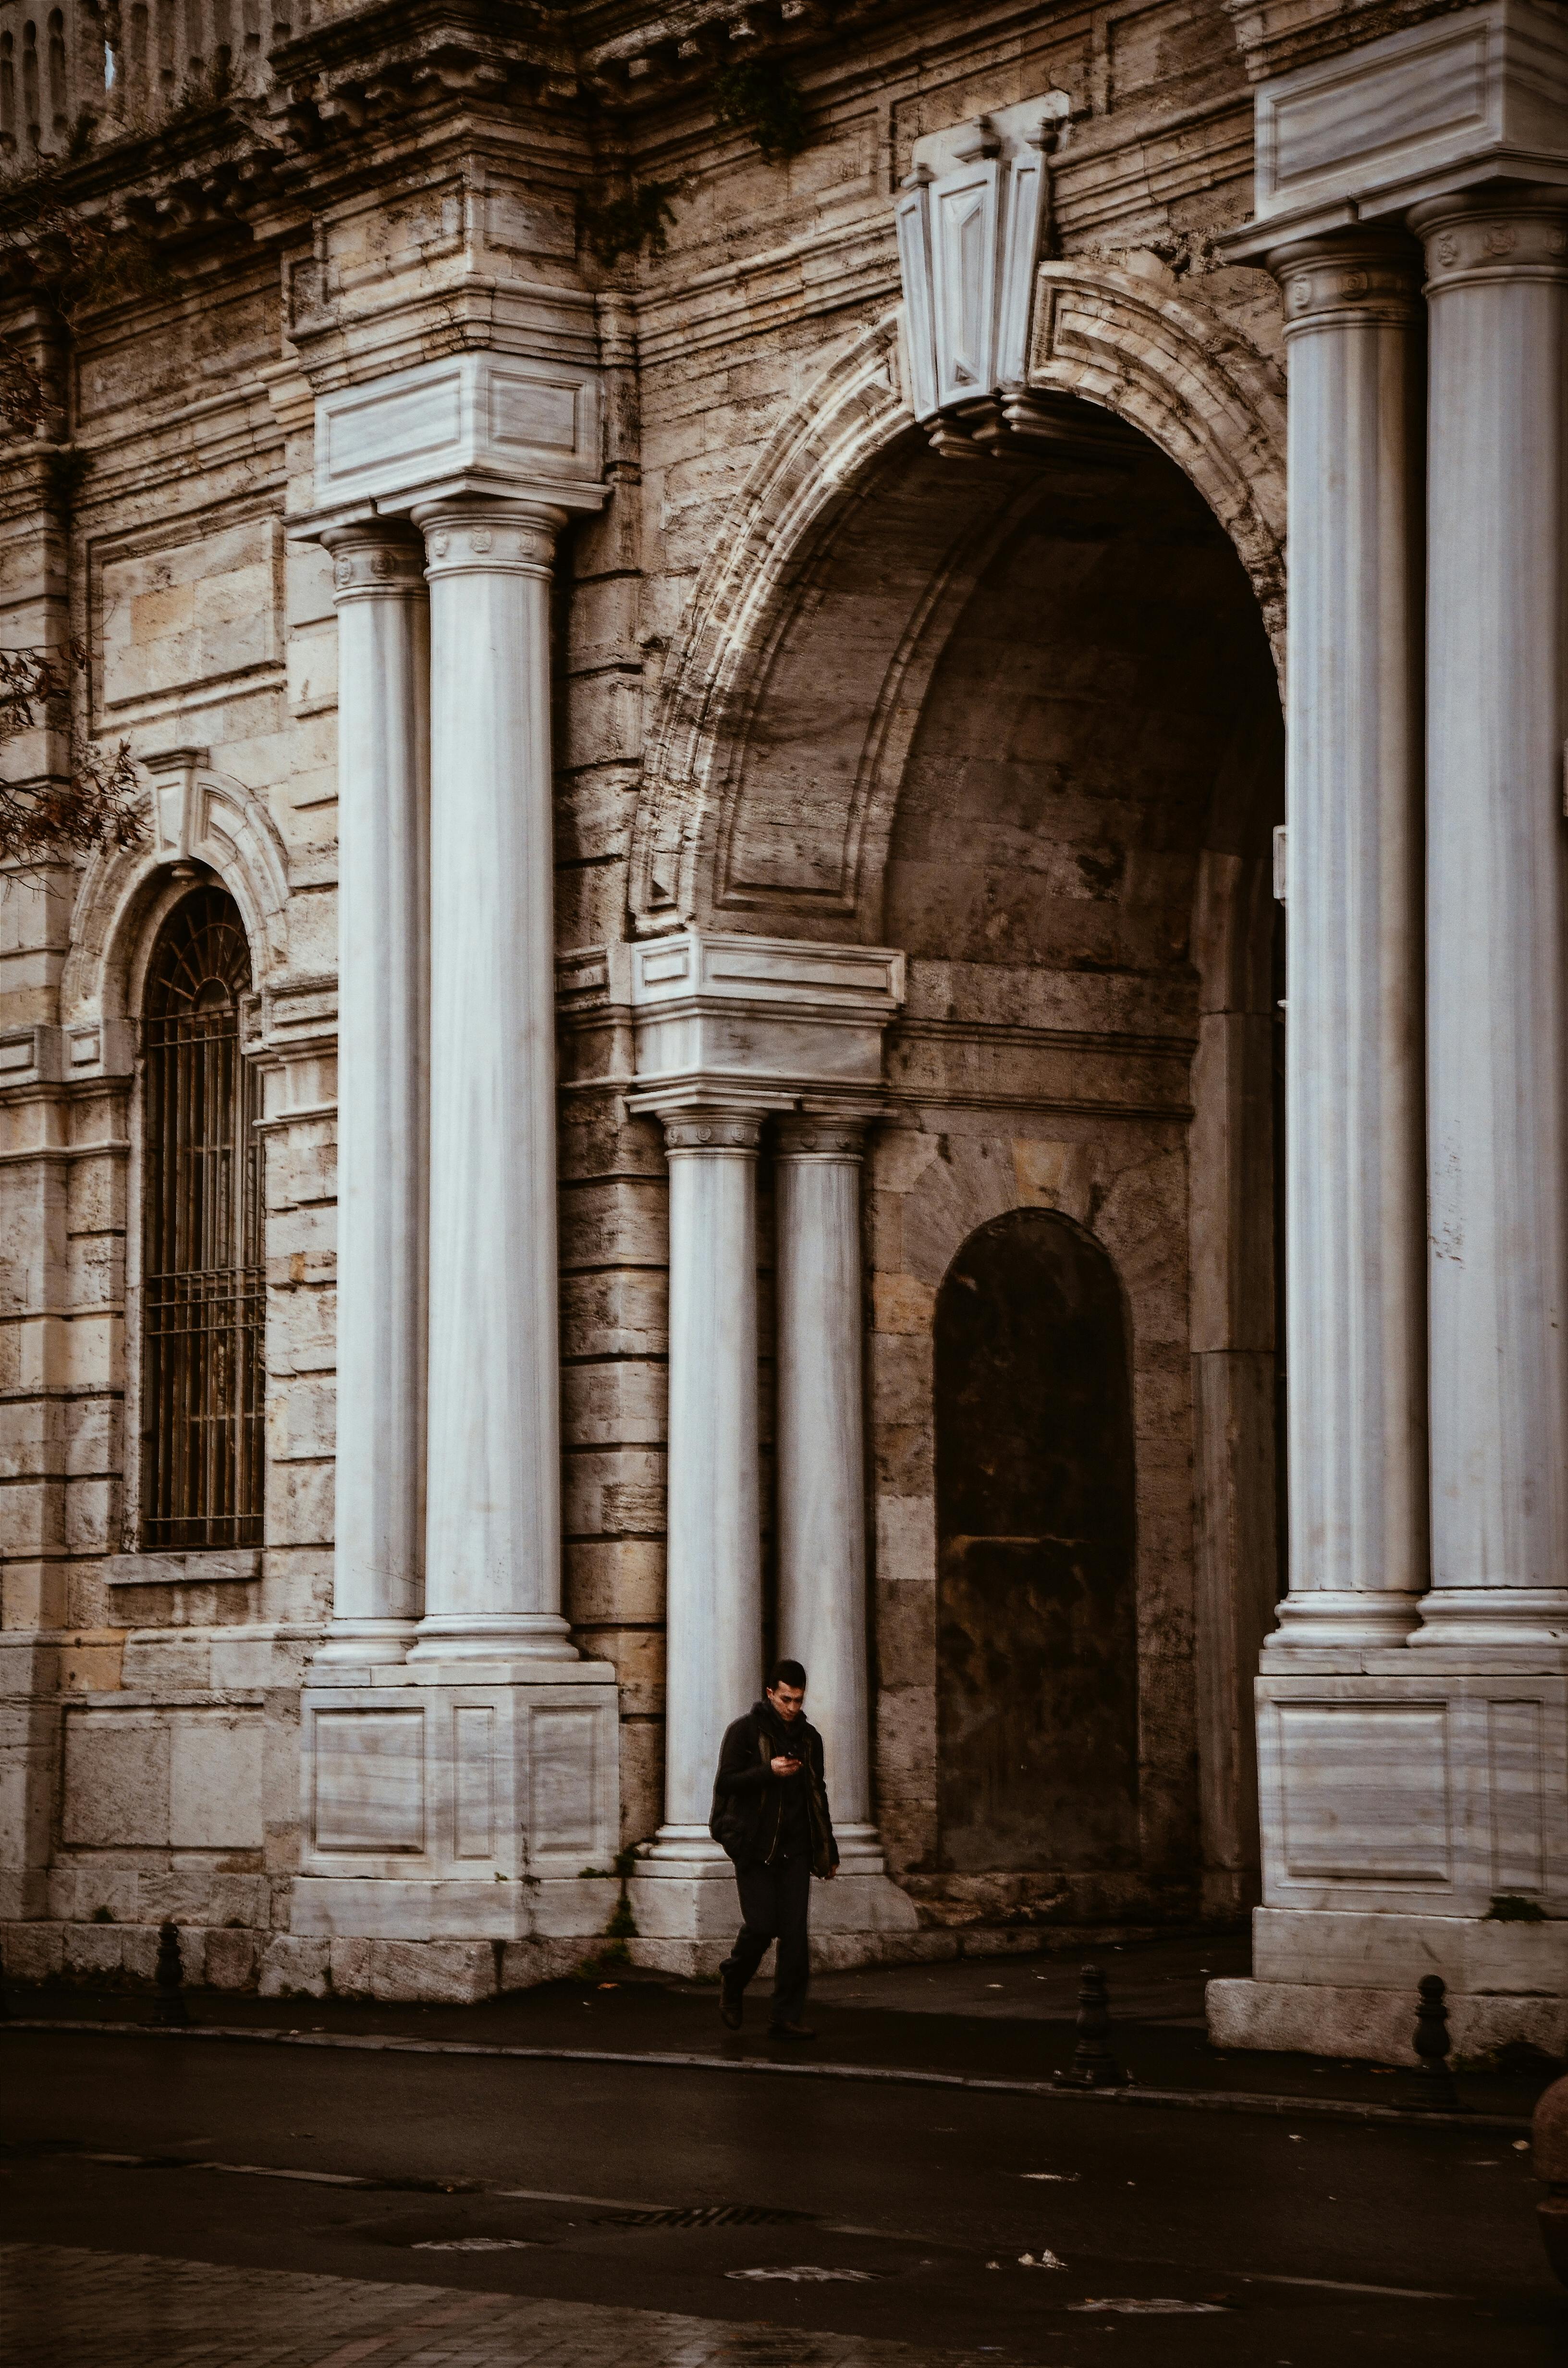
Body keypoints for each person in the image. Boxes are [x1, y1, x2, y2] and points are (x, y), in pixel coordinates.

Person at [709, 1657, 839, 2040]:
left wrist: (827, 1850)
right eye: (786, 1699)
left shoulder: (809, 1738)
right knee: (763, 1927)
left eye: (799, 1700)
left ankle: (785, 2017)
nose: (793, 1708)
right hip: (753, 1846)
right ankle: (733, 1980)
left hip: (795, 1850)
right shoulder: (745, 1732)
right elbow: (726, 1782)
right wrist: (768, 1772)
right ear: (770, 1694)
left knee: (795, 1936)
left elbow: (818, 1795)